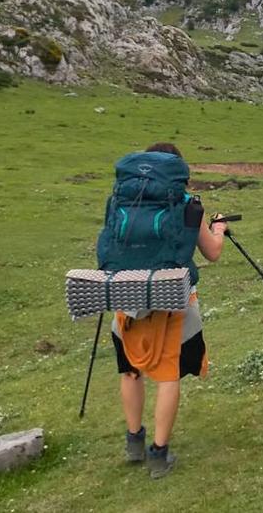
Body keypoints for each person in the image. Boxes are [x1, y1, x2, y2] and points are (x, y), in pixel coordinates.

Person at [102, 142, 226, 479]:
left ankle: (133, 442)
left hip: (126, 292)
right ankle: (159, 455)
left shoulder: (121, 199)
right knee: (168, 376)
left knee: (129, 369)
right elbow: (212, 253)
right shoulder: (186, 204)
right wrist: (219, 229)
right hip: (173, 298)